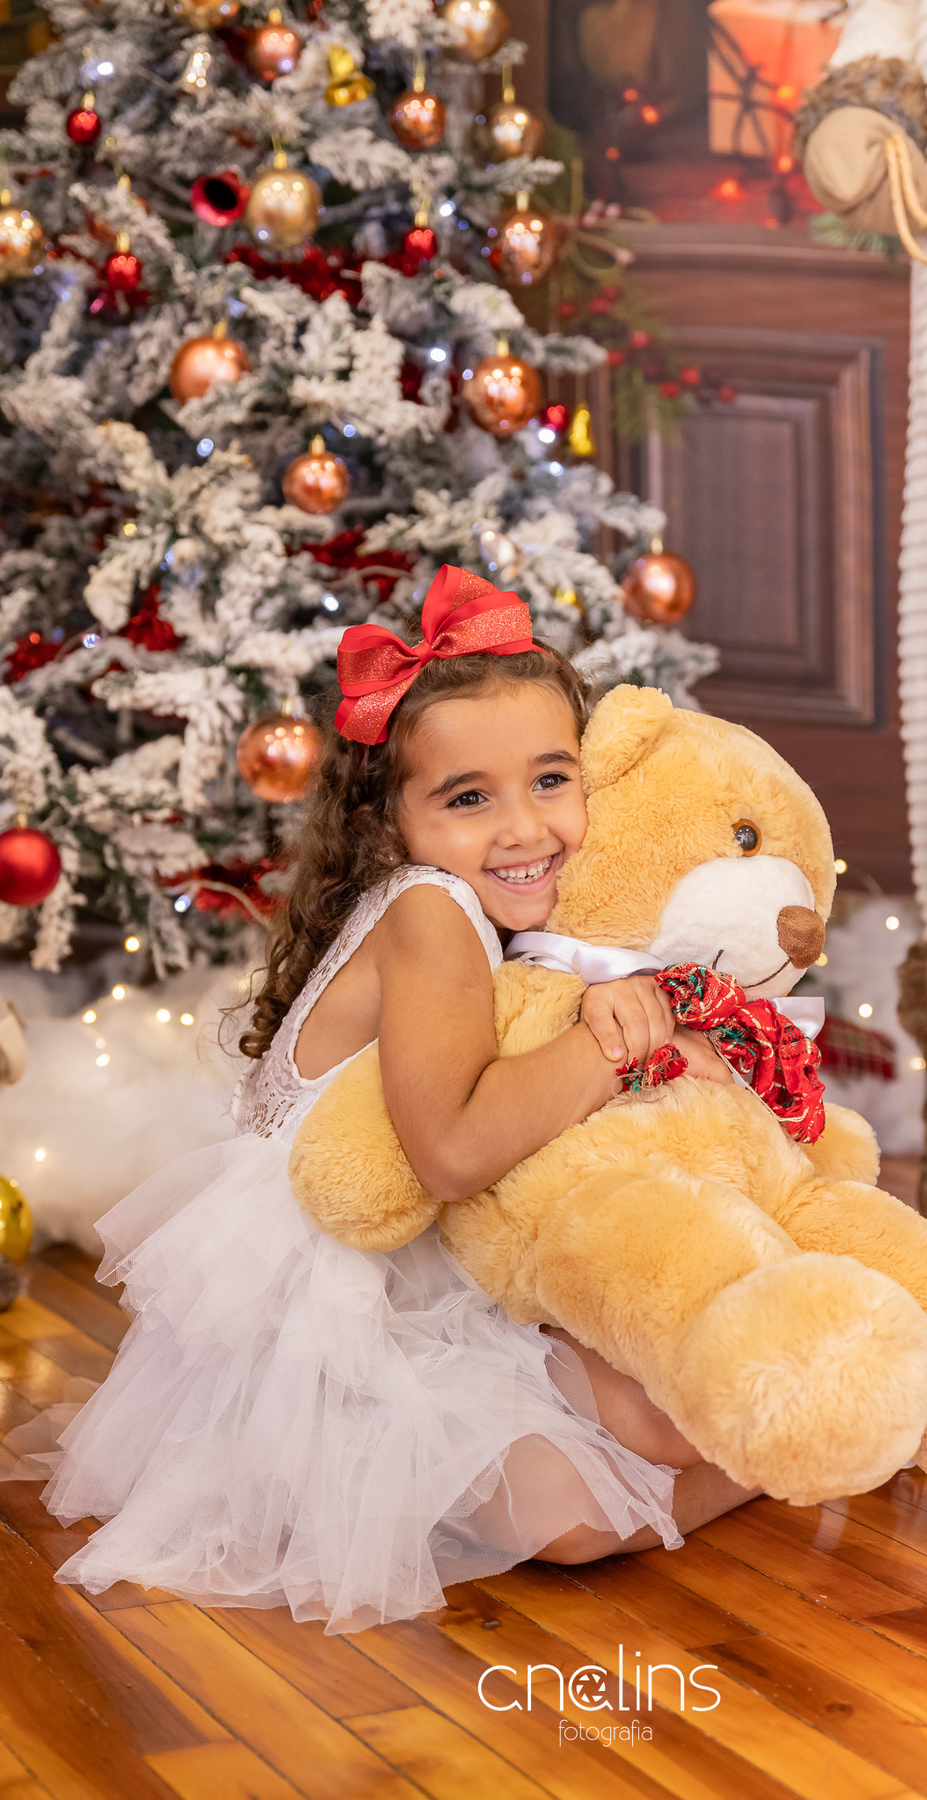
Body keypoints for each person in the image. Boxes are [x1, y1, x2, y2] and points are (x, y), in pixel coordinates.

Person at [7, 565, 756, 1633]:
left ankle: (793, 1432)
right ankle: (787, 1468)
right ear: (392, 823)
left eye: (552, 780)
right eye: (467, 798)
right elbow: (451, 1152)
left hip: (441, 1269)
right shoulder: (431, 911)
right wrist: (617, 1044)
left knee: (662, 1414)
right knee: (574, 1518)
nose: (523, 829)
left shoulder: (515, 920)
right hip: (338, 1316)